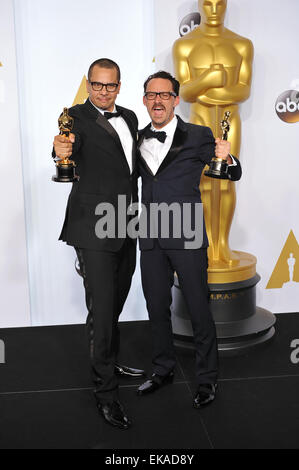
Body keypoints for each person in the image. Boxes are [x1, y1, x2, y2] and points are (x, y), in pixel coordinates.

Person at [136, 71, 242, 408]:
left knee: (198, 307)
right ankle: (162, 368)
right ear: (144, 100)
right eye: (152, 95)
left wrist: (227, 155)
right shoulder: (136, 138)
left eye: (165, 95)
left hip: (187, 232)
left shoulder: (197, 135)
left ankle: (207, 379)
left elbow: (233, 171)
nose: (158, 101)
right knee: (156, 307)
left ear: (176, 99)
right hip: (150, 234)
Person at [52, 58, 145, 430]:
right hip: (93, 227)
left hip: (128, 221)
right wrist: (60, 151)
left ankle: (109, 359)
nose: (103, 91)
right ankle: (105, 392)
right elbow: (64, 148)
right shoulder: (73, 117)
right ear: (88, 84)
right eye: (97, 85)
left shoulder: (132, 117)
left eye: (110, 85)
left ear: (119, 86)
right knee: (102, 309)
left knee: (115, 302)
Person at [173, 0, 253, 266]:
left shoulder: (242, 44)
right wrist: (208, 80)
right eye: (208, 3)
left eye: (220, 3)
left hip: (231, 121)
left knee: (227, 181)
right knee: (205, 182)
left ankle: (223, 245)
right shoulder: (184, 45)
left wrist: (205, 90)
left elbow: (243, 90)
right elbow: (184, 91)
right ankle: (208, 245)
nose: (214, 9)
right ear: (200, 4)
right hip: (199, 120)